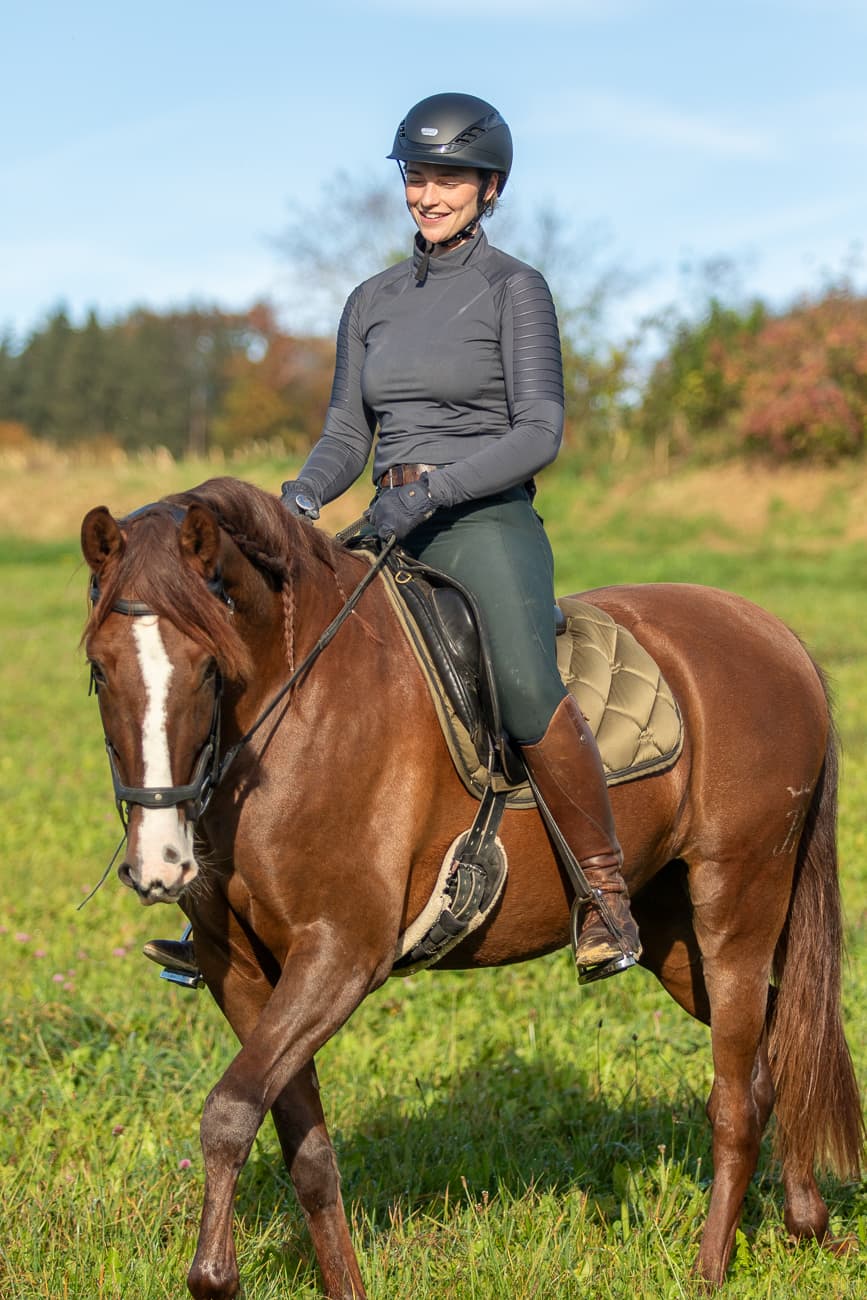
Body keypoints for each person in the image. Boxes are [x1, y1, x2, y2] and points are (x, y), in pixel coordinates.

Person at [147, 92, 640, 985]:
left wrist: (439, 492)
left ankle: (603, 893)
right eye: (416, 175)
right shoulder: (369, 299)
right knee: (254, 666)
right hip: (381, 519)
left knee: (526, 686)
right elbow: (346, 434)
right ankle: (218, 903)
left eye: (448, 176)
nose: (428, 192)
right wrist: (297, 503)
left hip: (482, 518)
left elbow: (539, 430)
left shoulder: (513, 288)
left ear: (490, 187)